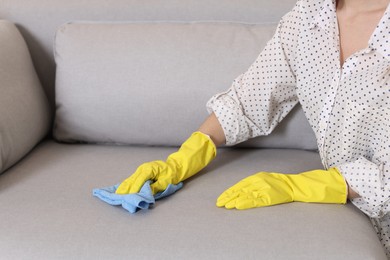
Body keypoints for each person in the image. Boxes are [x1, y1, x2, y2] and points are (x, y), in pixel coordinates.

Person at [115, 0, 390, 257]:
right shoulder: (310, 15)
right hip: (356, 217)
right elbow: (249, 98)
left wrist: (297, 186)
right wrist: (183, 158)